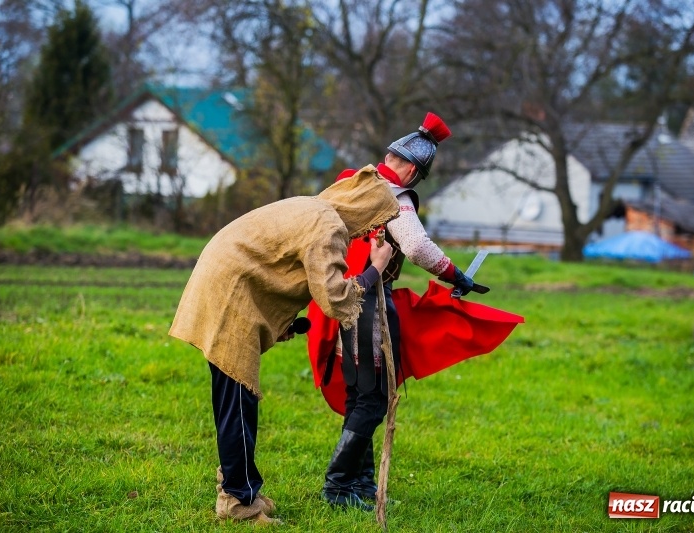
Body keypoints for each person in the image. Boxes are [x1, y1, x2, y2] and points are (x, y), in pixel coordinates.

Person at [168, 166, 399, 525]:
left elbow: (275, 264)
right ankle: (238, 503)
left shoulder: (312, 207)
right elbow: (336, 298)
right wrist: (375, 269)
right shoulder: (329, 225)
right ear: (364, 208)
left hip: (224, 285)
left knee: (237, 401)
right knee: (238, 402)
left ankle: (242, 487)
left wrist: (283, 323)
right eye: (374, 221)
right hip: (230, 297)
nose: (368, 231)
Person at [311, 113, 479, 511]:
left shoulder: (351, 184)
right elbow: (417, 247)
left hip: (340, 294)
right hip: (369, 300)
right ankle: (337, 486)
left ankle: (361, 484)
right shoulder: (394, 198)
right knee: (372, 398)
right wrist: (456, 275)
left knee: (360, 395)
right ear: (411, 170)